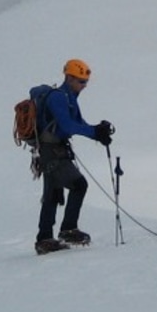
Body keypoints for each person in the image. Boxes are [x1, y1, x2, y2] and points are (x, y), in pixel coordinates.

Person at [34, 57, 114, 254]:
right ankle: (66, 230)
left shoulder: (69, 97)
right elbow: (68, 125)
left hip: (53, 150)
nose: (84, 85)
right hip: (51, 151)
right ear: (69, 78)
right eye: (81, 81)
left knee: (52, 193)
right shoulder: (59, 97)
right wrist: (95, 133)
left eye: (85, 82)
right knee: (78, 185)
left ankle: (45, 238)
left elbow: (77, 123)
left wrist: (96, 131)